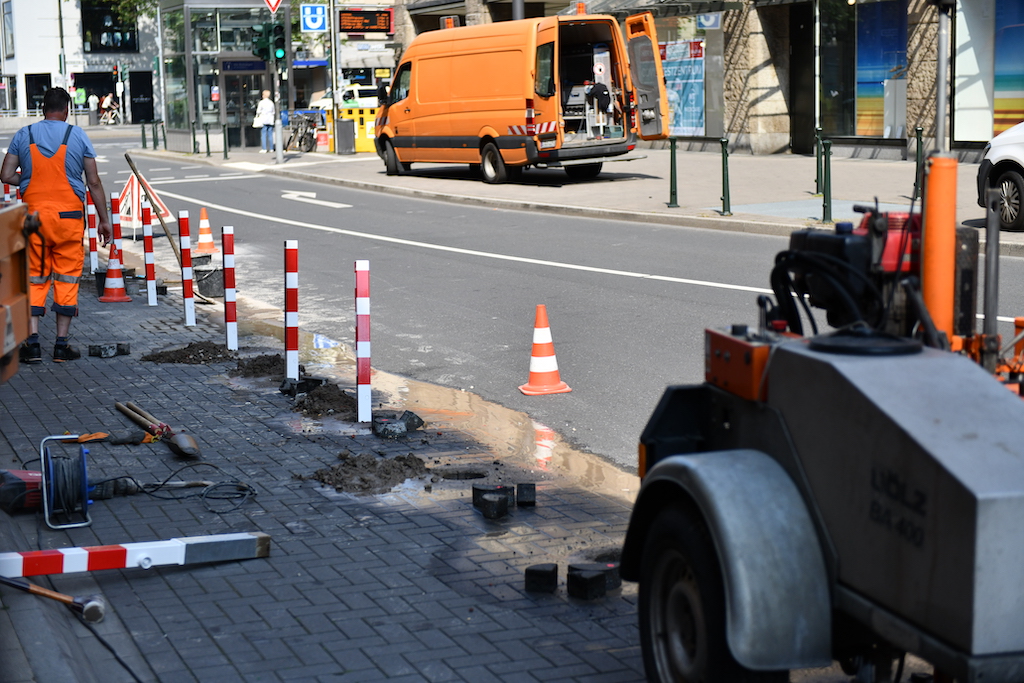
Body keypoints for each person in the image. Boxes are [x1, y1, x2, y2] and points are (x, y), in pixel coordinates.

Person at [0, 87, 112, 363]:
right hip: (69, 221)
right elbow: (94, 182)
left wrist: (25, 181)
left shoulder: (23, 135)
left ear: (43, 110)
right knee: (66, 277)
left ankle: (33, 344)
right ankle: (61, 345)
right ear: (67, 110)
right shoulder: (78, 135)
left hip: (34, 220)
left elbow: (5, 174)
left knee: (34, 277)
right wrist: (104, 220)